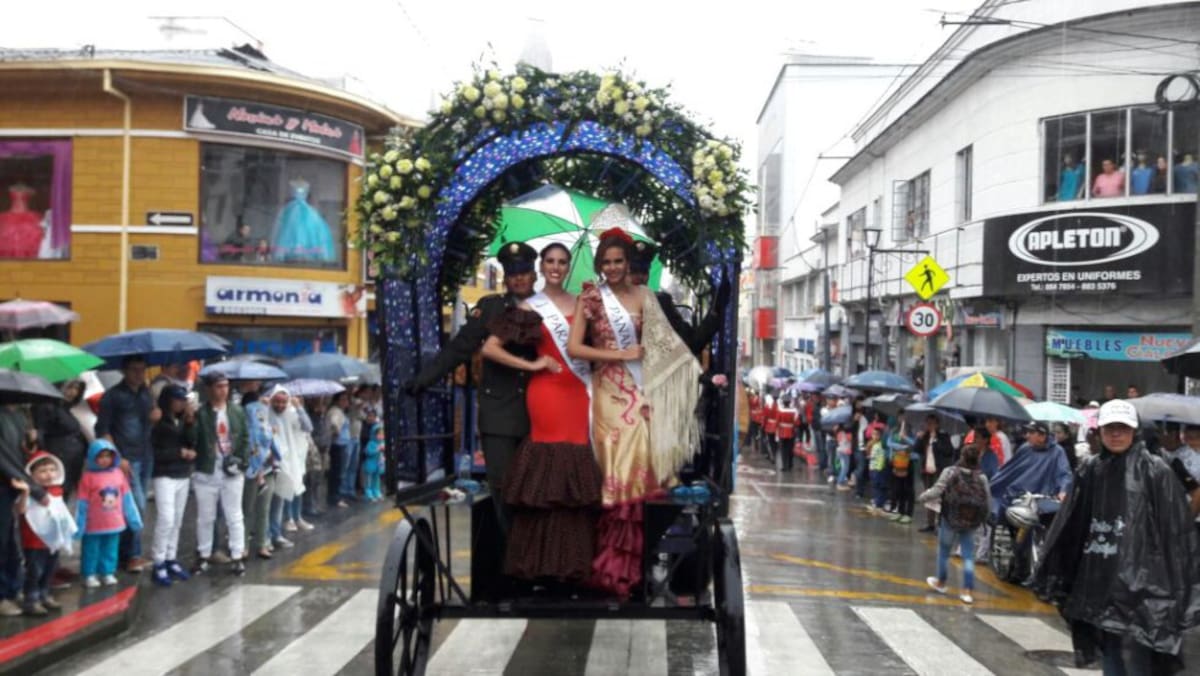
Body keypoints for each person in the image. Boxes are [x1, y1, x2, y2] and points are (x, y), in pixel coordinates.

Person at [567, 221, 701, 597]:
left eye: (618, 261)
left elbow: (665, 346)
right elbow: (575, 348)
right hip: (607, 391)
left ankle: (634, 567)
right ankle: (611, 571)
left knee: (645, 469)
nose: (612, 267)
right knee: (620, 469)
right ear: (599, 264)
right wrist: (620, 354)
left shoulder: (645, 296)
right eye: (606, 262)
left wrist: (683, 375)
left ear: (628, 263)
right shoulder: (590, 298)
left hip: (641, 392)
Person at [1034, 400, 1200, 675]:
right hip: (1102, 579)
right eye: (1110, 428)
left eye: (1122, 428)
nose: (1116, 434)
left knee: (1139, 654)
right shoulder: (1090, 470)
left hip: (1146, 586)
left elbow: (1174, 532)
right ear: (1099, 431)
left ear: (1134, 431)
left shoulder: (1155, 471)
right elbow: (1072, 525)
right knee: (1111, 650)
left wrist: (1173, 583)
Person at [486, 242, 602, 583]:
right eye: (550, 261)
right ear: (541, 266)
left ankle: (573, 566)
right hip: (546, 394)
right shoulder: (529, 307)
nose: (555, 267)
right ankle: (540, 567)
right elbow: (490, 348)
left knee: (574, 477)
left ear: (568, 267)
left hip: (579, 393)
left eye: (562, 262)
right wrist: (532, 364)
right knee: (548, 476)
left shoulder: (583, 303)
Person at [409, 241, 540, 535]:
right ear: (505, 277)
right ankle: (512, 549)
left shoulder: (548, 307)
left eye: (524, 272)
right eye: (513, 273)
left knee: (536, 489)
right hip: (499, 412)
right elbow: (460, 347)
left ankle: (535, 550)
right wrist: (424, 379)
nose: (519, 279)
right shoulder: (491, 307)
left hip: (539, 410)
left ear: (534, 275)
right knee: (503, 486)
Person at [95, 355, 157, 573]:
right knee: (136, 506)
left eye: (142, 369)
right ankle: (132, 555)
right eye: (134, 369)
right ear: (124, 371)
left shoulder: (146, 394)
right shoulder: (112, 396)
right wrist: (116, 457)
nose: (139, 374)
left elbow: (150, 421)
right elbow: (102, 430)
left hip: (146, 454)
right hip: (126, 458)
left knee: (132, 506)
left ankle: (124, 553)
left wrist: (155, 415)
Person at [918, 442, 991, 605]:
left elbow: (937, 490)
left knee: (944, 552)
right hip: (971, 521)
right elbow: (987, 501)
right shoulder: (982, 477)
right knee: (968, 555)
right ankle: (967, 591)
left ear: (962, 456)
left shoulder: (950, 472)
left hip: (950, 518)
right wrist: (984, 519)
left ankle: (941, 583)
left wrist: (923, 497)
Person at [628, 239, 729, 357]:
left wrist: (715, 311)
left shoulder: (661, 303)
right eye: (634, 271)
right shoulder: (610, 303)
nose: (640, 277)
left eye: (644, 271)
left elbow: (691, 343)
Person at [192, 373, 248, 576]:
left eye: (226, 386)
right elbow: (192, 439)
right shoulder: (201, 413)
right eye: (218, 386)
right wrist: (189, 421)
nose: (223, 390)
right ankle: (204, 554)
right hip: (207, 471)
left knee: (234, 515)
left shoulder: (237, 411)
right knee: (205, 517)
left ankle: (237, 555)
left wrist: (241, 461)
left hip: (231, 471)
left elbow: (244, 438)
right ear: (208, 389)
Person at [75, 439, 142, 588]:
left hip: (114, 522)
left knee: (111, 549)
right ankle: (90, 573)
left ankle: (107, 572)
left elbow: (127, 499)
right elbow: (82, 503)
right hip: (93, 524)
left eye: (108, 456)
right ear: (92, 457)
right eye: (100, 456)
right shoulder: (87, 477)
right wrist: (79, 524)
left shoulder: (118, 474)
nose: (105, 460)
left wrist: (133, 519)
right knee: (91, 550)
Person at [15, 452, 74, 614]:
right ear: (31, 473)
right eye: (42, 471)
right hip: (34, 540)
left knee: (49, 568)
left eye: (52, 470)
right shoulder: (31, 492)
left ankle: (44, 594)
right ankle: (31, 599)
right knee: (35, 571)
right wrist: (25, 492)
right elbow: (21, 510)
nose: (49, 475)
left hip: (52, 540)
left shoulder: (57, 490)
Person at [149, 386, 196, 587]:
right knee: (166, 518)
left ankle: (171, 556)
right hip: (164, 474)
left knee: (177, 519)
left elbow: (193, 441)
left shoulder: (183, 421)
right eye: (178, 399)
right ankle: (158, 560)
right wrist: (179, 453)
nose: (181, 403)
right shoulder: (159, 422)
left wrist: (190, 422)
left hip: (182, 474)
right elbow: (155, 451)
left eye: (183, 400)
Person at [266, 386, 312, 545]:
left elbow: (308, 427)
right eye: (276, 401)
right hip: (267, 464)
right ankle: (265, 538)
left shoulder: (291, 413)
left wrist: (299, 407)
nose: (280, 405)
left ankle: (276, 535)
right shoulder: (265, 412)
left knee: (279, 500)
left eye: (283, 402)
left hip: (287, 463)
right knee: (266, 504)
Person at [33, 379, 89, 498]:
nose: (73, 392)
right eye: (70, 387)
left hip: (72, 462)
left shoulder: (64, 409)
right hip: (58, 461)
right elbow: (40, 434)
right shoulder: (47, 406)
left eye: (77, 388)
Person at [915, 414, 956, 533]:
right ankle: (930, 523)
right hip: (927, 470)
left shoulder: (943, 436)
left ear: (937, 424)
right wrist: (919, 438)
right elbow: (916, 449)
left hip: (939, 470)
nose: (930, 426)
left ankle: (940, 524)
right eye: (928, 423)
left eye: (932, 423)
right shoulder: (925, 436)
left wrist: (935, 442)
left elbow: (948, 451)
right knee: (929, 496)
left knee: (939, 497)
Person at [362, 422, 385, 501]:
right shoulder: (371, 443)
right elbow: (367, 452)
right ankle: (368, 492)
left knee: (377, 479)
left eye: (382, 434)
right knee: (369, 479)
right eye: (379, 434)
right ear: (374, 434)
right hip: (370, 464)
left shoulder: (382, 443)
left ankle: (376, 491)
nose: (381, 436)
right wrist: (377, 450)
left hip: (378, 464)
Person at [774, 395, 798, 472]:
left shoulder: (780, 411)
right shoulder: (794, 411)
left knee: (783, 449)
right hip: (791, 432)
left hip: (782, 432)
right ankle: (790, 464)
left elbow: (777, 422)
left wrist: (777, 430)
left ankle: (784, 465)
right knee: (790, 449)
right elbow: (797, 423)